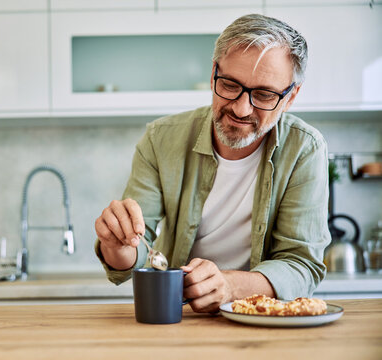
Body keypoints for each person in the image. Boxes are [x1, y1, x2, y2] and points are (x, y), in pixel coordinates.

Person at [94, 13, 331, 313]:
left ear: (290, 97)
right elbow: (137, 254)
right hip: (179, 318)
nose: (242, 108)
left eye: (264, 94)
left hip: (266, 322)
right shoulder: (160, 139)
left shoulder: (305, 150)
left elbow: (302, 265)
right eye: (230, 85)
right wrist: (117, 246)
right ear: (213, 74)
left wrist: (230, 286)